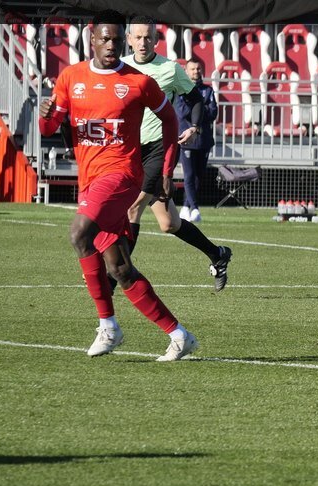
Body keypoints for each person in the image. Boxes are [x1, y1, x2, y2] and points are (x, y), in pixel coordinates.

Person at [38, 10, 198, 361]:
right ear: (92, 40)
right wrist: (46, 114)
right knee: (120, 269)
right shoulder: (71, 77)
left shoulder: (139, 82)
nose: (111, 45)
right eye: (105, 39)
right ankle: (179, 334)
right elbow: (48, 128)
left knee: (79, 232)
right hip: (90, 180)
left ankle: (108, 326)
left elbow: (170, 120)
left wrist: (166, 169)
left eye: (115, 39)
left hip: (123, 175)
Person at [122, 17, 232, 291]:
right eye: (138, 37)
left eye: (148, 37)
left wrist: (194, 126)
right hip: (129, 152)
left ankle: (114, 276)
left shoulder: (170, 69)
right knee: (169, 223)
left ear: (156, 40)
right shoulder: (120, 67)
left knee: (133, 208)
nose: (143, 42)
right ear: (129, 39)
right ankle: (218, 254)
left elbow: (195, 99)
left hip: (158, 149)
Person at [175, 59, 218, 223]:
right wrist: (200, 108)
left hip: (204, 138)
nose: (196, 72)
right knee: (189, 175)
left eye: (198, 68)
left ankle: (186, 207)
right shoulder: (180, 90)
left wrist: (197, 110)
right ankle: (194, 208)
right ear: (186, 71)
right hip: (186, 138)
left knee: (199, 176)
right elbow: (182, 112)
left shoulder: (208, 90)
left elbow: (213, 113)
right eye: (192, 69)